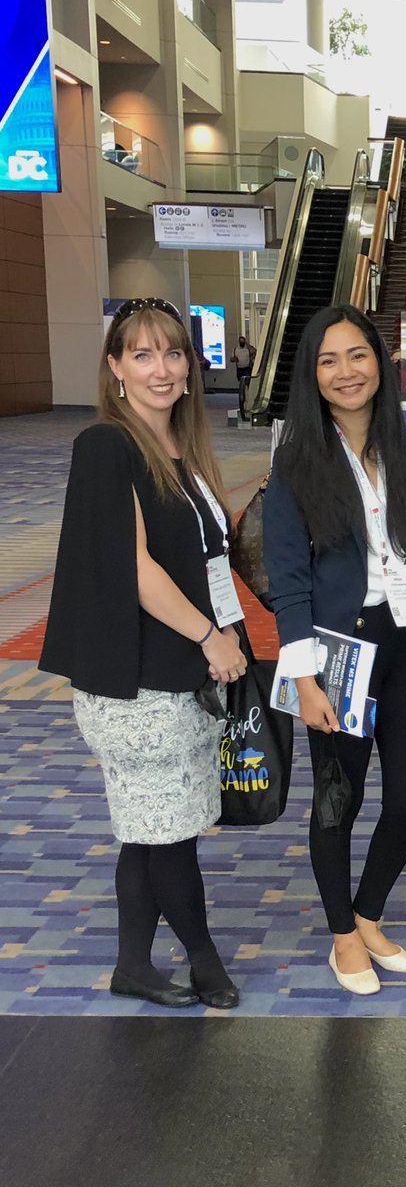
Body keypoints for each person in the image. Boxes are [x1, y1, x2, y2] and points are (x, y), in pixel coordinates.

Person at [39, 297, 247, 1011]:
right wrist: (210, 637)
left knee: (149, 829)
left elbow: (204, 560)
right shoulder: (108, 447)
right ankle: (205, 960)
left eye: (174, 353)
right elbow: (135, 570)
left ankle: (132, 964)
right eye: (143, 354)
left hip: (182, 671)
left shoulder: (184, 453)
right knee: (170, 835)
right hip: (136, 681)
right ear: (115, 368)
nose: (162, 369)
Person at [263, 304, 406, 996]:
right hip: (336, 654)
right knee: (336, 804)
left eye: (357, 355)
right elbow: (288, 582)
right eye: (328, 360)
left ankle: (368, 914)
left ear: (380, 363)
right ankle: (342, 936)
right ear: (311, 374)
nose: (345, 372)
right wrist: (304, 680)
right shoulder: (295, 461)